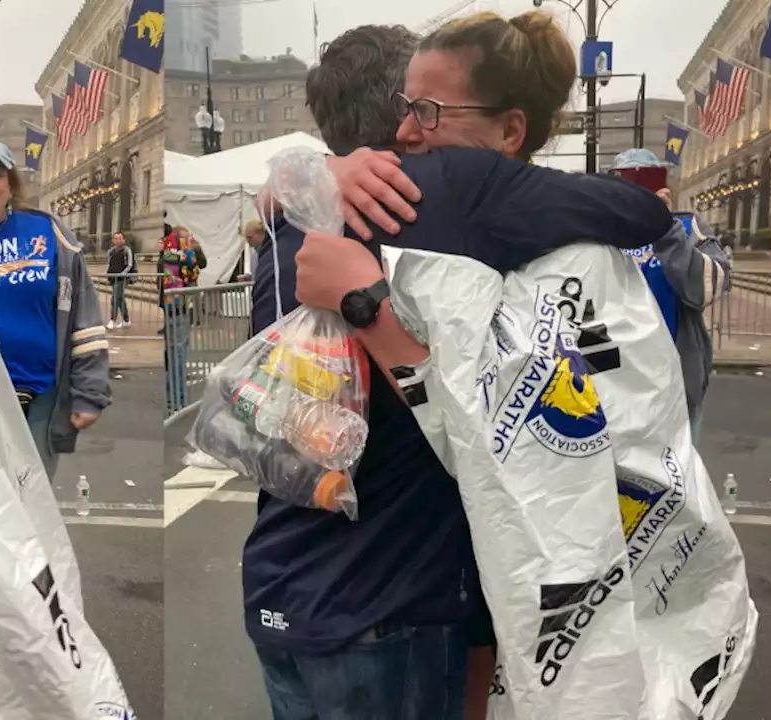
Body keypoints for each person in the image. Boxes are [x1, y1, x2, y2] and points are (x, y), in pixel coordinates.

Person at [245, 21, 676, 720]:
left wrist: (304, 174)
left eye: (430, 110)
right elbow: (640, 212)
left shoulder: (289, 220)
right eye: (412, 107)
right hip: (390, 606)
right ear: (393, 105)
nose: (416, 129)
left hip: (282, 581)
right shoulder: (449, 187)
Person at [0, 139, 110, 480]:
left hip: (39, 398)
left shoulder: (48, 232)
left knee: (34, 504)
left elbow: (86, 319)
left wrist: (89, 392)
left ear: (11, 187)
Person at [609, 148, 729, 438]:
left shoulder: (687, 227)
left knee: (678, 475)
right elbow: (585, 303)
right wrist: (603, 374)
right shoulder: (600, 229)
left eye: (646, 180)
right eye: (626, 181)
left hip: (675, 379)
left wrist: (664, 229)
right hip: (616, 382)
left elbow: (706, 289)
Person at [160, 226, 200, 413]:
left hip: (171, 306)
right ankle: (178, 400)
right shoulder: (180, 255)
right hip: (178, 306)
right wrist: (191, 249)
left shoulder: (166, 254)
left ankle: (172, 398)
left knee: (174, 353)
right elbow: (192, 272)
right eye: (186, 237)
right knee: (178, 355)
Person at [106, 231, 137, 329]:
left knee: (114, 298)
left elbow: (130, 264)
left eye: (120, 238)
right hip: (112, 278)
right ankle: (126, 320)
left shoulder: (127, 250)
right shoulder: (111, 251)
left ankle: (113, 320)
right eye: (115, 238)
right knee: (120, 299)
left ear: (123, 240)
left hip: (122, 279)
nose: (117, 240)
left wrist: (122, 274)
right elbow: (108, 263)